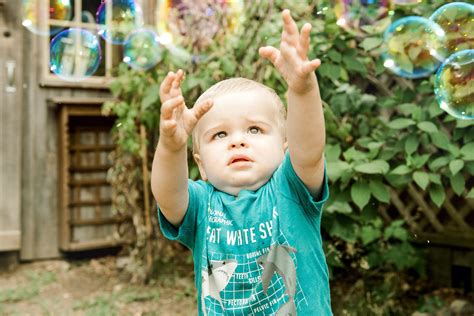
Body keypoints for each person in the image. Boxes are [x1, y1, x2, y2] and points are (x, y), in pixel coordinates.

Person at [151, 9, 331, 315]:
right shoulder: (202, 206)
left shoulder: (291, 189)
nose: (238, 141)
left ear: (284, 146)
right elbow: (168, 196)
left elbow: (309, 149)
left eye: (255, 129)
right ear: (202, 165)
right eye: (219, 135)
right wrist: (170, 146)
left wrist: (302, 90)